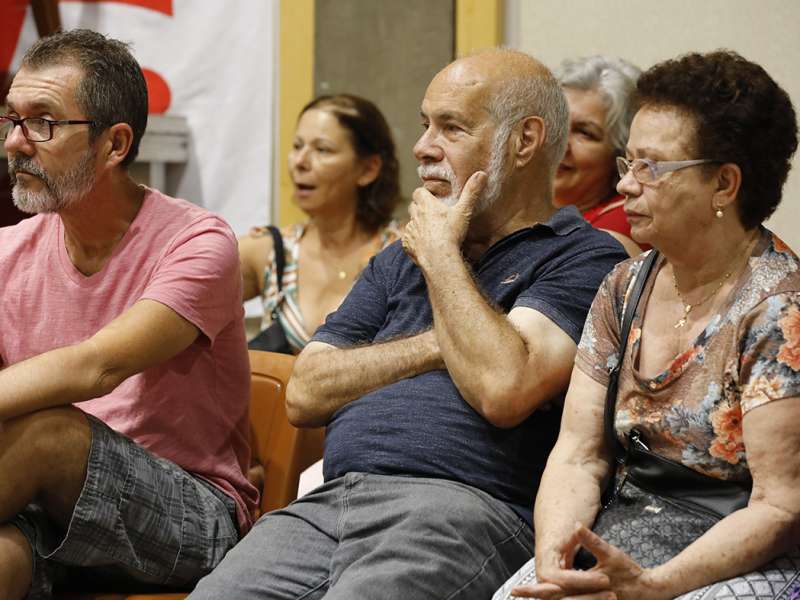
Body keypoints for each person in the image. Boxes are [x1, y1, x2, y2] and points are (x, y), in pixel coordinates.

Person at [188, 48, 627, 600]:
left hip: (461, 509)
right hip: (328, 502)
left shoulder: (585, 257)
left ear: (525, 140)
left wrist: (443, 257)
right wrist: (443, 344)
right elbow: (306, 392)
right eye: (425, 125)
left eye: (452, 128)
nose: (423, 147)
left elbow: (505, 387)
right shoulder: (401, 258)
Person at [495, 50, 800, 600]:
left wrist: (654, 586)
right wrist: (555, 561)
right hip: (627, 539)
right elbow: (578, 454)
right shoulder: (623, 286)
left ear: (725, 185)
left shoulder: (780, 308)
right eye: (627, 163)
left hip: (739, 558)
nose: (628, 185)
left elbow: (780, 507)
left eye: (651, 167)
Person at [0, 29, 255, 599]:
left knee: (49, 432)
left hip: (192, 513)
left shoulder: (198, 241)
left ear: (114, 144)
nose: (16, 142)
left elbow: (97, 367)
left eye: (42, 121)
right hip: (49, 507)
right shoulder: (8, 253)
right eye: (10, 120)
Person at [239, 94, 401, 353]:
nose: (300, 162)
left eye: (322, 149)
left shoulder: (400, 253)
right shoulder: (271, 251)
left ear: (368, 169)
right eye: (297, 146)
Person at [554, 55, 644, 255]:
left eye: (584, 133)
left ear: (620, 154)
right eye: (556, 122)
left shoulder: (621, 224)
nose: (560, 142)